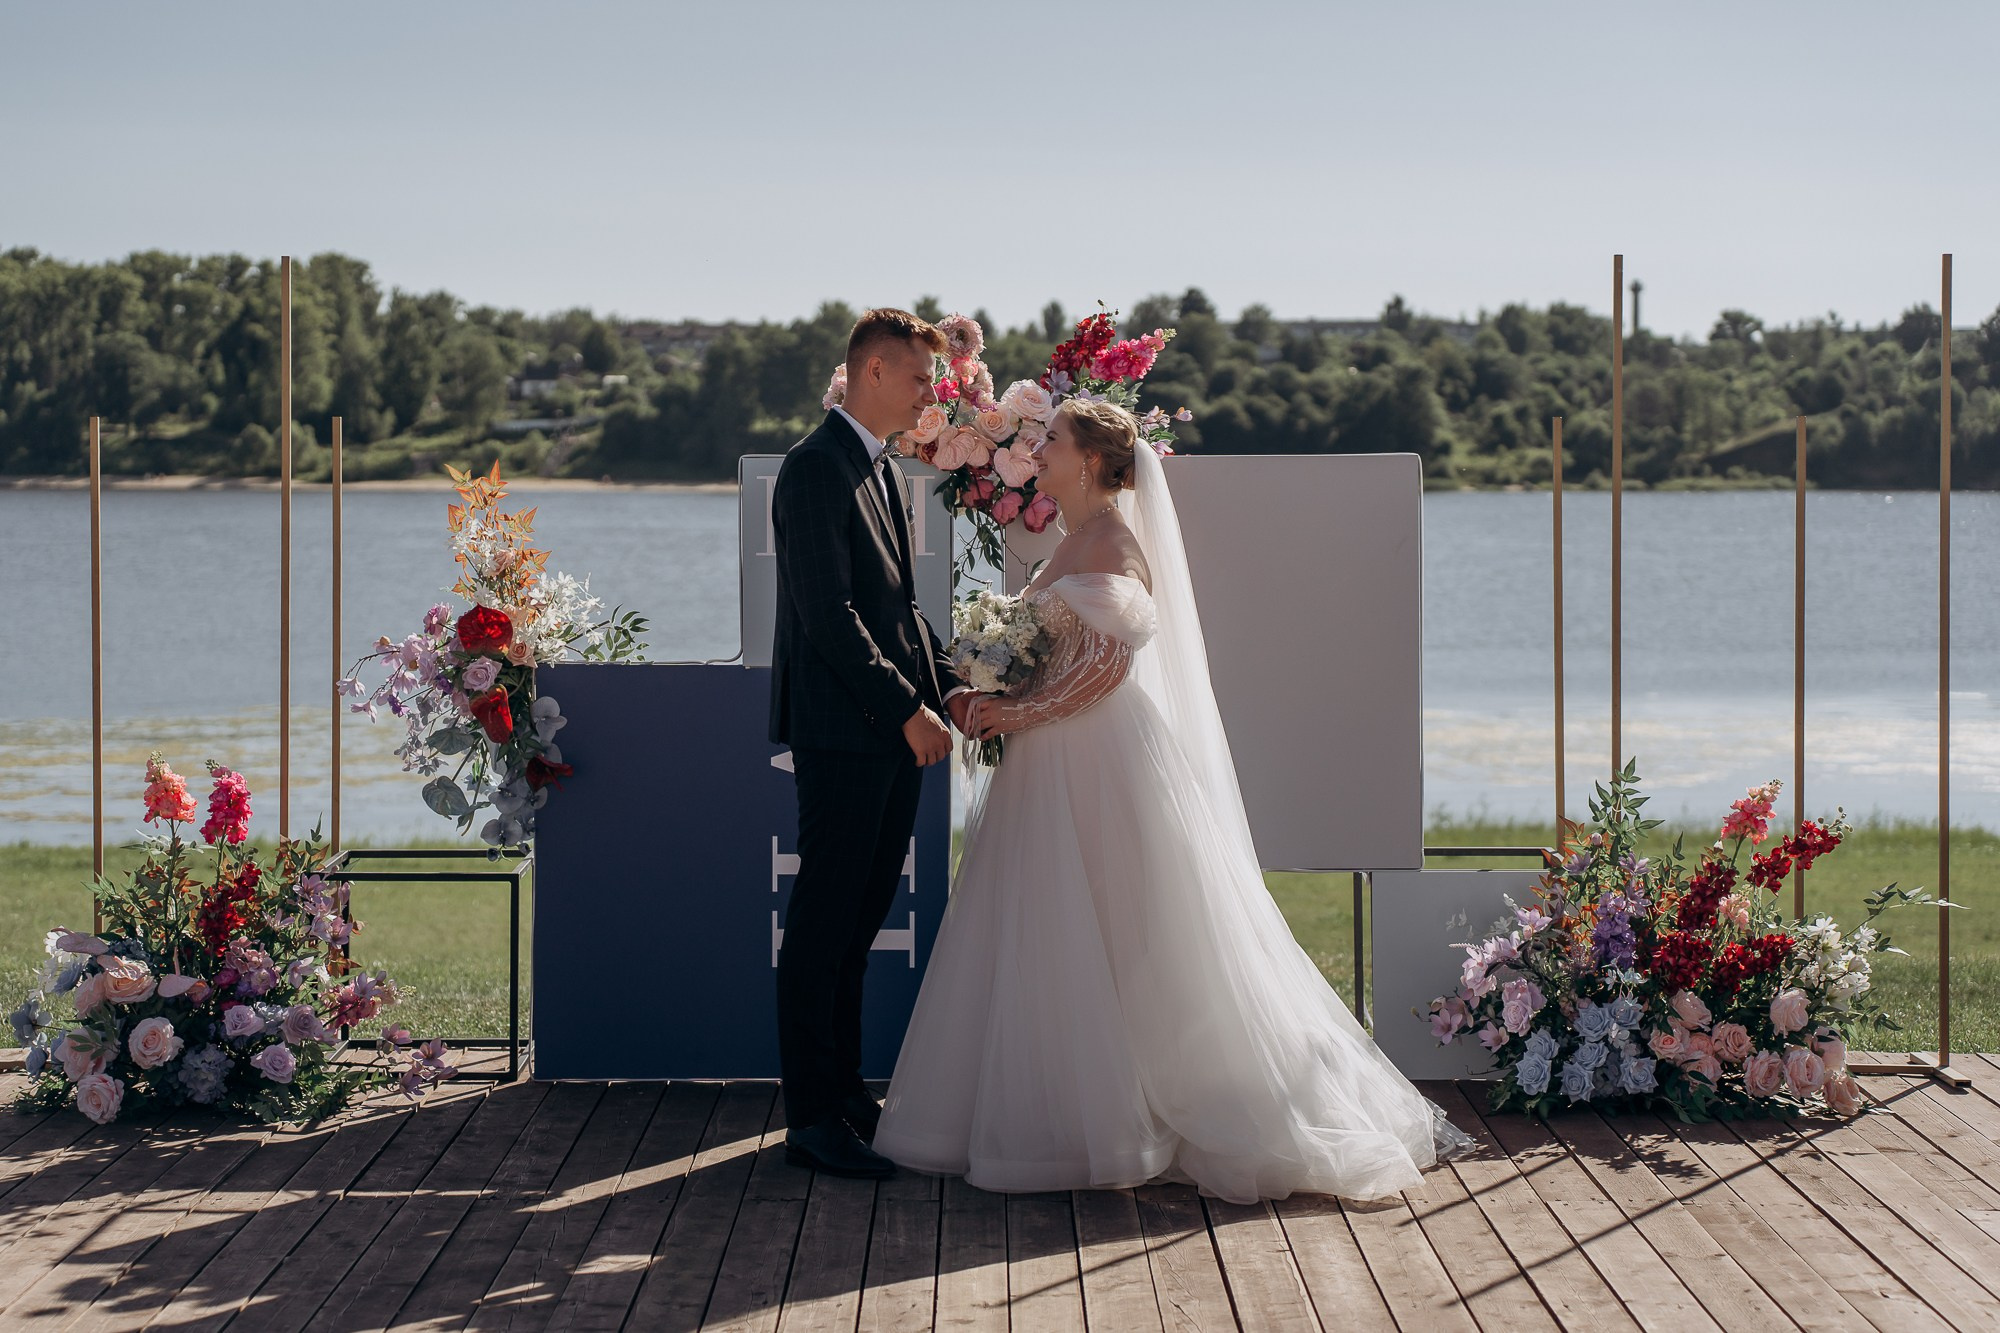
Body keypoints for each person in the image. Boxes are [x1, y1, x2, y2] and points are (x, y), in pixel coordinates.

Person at [872, 398, 1471, 1203]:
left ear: (1090, 460)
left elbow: (1105, 669)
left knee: (1120, 925)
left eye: (1052, 440)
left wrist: (1013, 712)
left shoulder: (1114, 543)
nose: (1038, 450)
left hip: (1097, 753)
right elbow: (1062, 652)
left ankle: (1140, 1114)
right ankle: (1067, 1112)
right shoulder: (1069, 538)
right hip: (1050, 755)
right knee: (1050, 922)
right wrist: (996, 679)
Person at [768, 308, 975, 1180]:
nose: (931, 393)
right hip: (843, 734)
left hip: (887, 734)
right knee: (824, 924)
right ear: (876, 371)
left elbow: (900, 610)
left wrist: (949, 686)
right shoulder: (815, 467)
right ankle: (811, 1119)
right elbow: (829, 615)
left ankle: (845, 1092)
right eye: (922, 377)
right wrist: (904, 709)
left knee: (856, 923)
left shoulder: (882, 468)